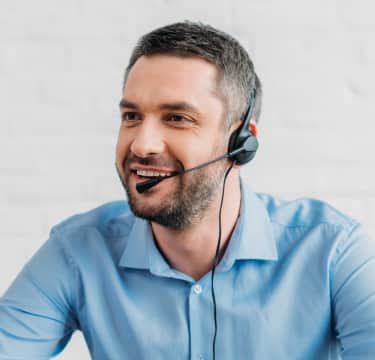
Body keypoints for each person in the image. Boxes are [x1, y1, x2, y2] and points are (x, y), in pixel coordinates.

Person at [1, 21, 375, 360]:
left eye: (177, 118)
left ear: (241, 143)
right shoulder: (78, 252)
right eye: (131, 116)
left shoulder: (333, 252)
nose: (141, 144)